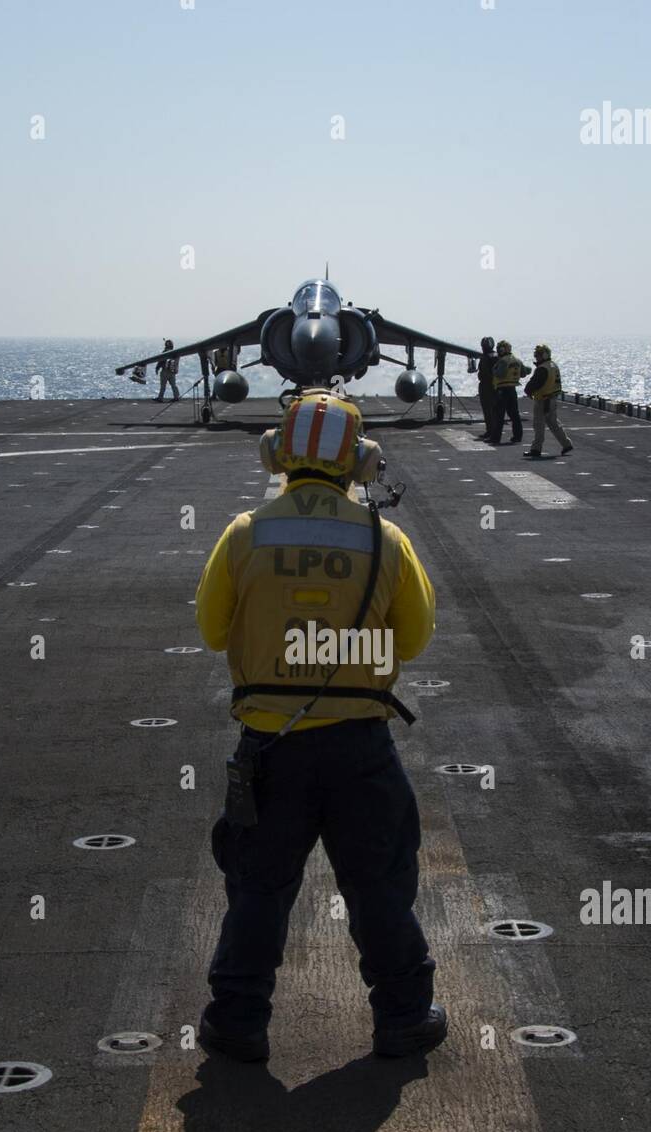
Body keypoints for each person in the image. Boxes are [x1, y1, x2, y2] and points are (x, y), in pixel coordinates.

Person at [194, 389, 447, 1062]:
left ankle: (238, 1023)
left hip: (270, 748)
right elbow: (414, 639)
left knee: (258, 889)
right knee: (378, 886)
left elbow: (213, 628)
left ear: (277, 453)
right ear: (360, 462)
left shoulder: (246, 533)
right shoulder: (382, 538)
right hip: (359, 746)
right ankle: (403, 1016)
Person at [523, 345, 573, 458]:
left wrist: (528, 391)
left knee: (539, 425)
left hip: (543, 400)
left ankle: (536, 449)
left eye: (538, 355)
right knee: (554, 423)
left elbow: (534, 383)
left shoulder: (542, 369)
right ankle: (566, 443)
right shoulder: (553, 366)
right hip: (552, 399)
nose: (536, 357)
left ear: (544, 355)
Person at [490, 339, 530, 444]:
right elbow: (525, 373)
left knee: (499, 415)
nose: (498, 351)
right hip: (512, 389)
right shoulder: (517, 360)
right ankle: (517, 436)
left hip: (502, 390)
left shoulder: (503, 361)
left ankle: (495, 438)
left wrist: (493, 369)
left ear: (503, 349)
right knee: (514, 415)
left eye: (499, 349)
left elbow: (500, 374)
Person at [477, 336, 498, 441]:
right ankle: (492, 431)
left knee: (488, 410)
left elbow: (484, 373)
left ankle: (491, 431)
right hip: (495, 386)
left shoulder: (485, 357)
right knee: (494, 410)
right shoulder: (497, 356)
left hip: (486, 386)